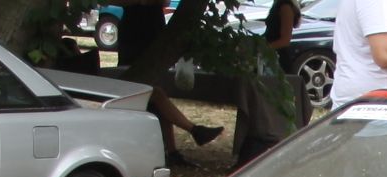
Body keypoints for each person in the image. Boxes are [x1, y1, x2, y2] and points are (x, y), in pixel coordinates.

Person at [120, 0, 222, 167]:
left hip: (153, 32)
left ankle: (176, 149)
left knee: (159, 95)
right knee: (154, 94)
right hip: (132, 34)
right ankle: (192, 133)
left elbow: (165, 1)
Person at [233, 0, 304, 165]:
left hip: (276, 61)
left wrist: (262, 48)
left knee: (275, 103)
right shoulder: (279, 5)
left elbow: (285, 39)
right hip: (268, 59)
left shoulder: (285, 7)